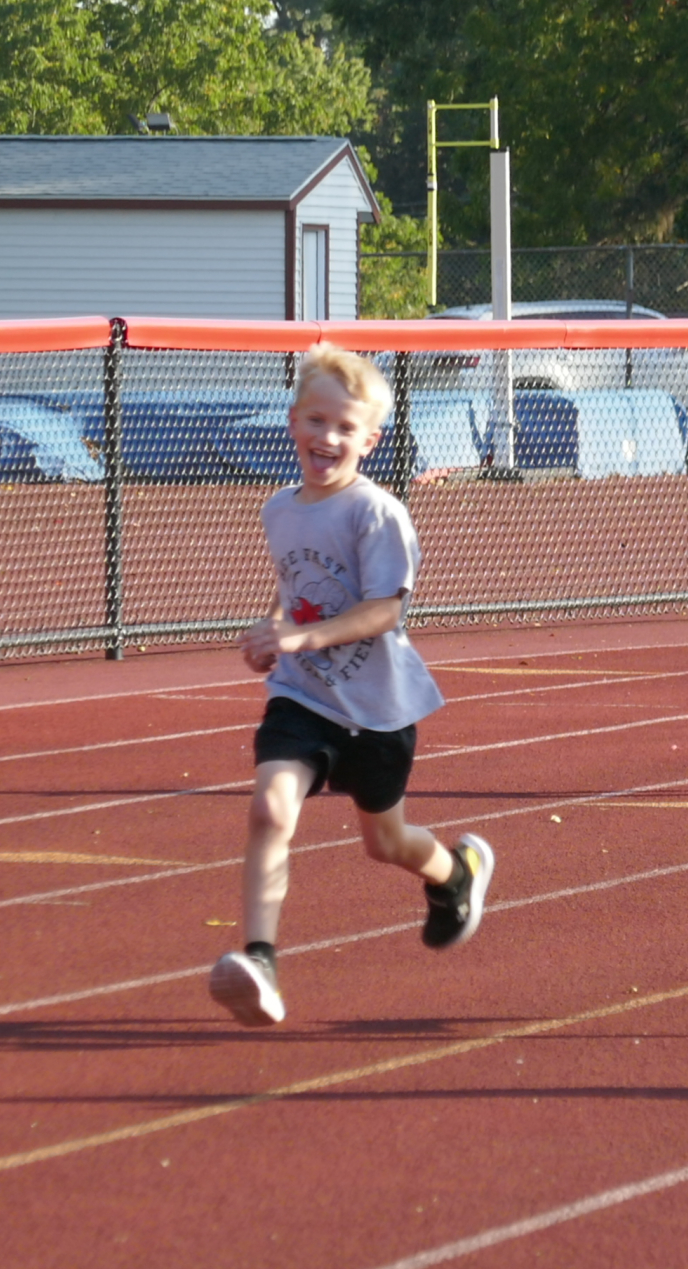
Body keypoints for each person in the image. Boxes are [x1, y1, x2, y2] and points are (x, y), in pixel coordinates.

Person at [208, 344, 495, 1028]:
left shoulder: (378, 513)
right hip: (301, 697)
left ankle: (456, 874)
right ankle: (260, 960)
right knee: (271, 810)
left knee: (385, 843)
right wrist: (272, 629)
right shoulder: (279, 509)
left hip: (377, 708)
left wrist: (300, 635)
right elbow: (296, 591)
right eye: (315, 420)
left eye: (343, 427)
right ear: (292, 421)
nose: (325, 438)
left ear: (370, 439)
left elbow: (384, 610)